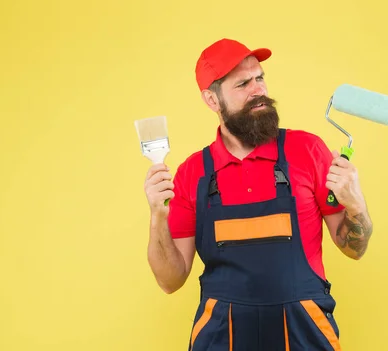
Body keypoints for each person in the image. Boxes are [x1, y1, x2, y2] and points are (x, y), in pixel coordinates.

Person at [144, 38, 373, 351]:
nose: (258, 90)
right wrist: (157, 215)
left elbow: (354, 248)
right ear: (212, 100)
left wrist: (356, 204)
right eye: (243, 84)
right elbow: (170, 281)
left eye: (260, 78)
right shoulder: (192, 173)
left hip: (306, 333)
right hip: (222, 338)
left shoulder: (307, 151)